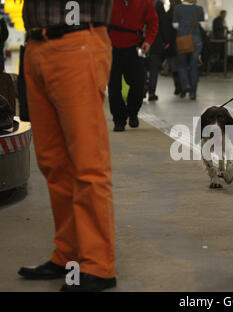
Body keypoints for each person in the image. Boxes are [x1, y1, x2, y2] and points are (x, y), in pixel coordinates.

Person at [19, 0, 116, 292]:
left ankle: (98, 265)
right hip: (37, 45)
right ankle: (69, 254)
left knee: (88, 163)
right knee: (53, 163)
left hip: (77, 41)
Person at [108, 0, 159, 132]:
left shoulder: (146, 2)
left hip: (136, 47)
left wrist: (148, 41)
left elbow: (153, 23)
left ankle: (132, 112)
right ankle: (119, 120)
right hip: (111, 47)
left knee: (139, 84)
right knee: (113, 86)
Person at [173, 0, 206, 100]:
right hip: (196, 40)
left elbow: (175, 25)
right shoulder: (199, 9)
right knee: (194, 67)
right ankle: (193, 93)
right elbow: (204, 26)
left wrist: (184, 27)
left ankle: (186, 85)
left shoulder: (178, 8)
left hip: (183, 39)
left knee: (181, 65)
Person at [145, 0, 169, 102]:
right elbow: (163, 23)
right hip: (155, 40)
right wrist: (166, 39)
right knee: (154, 68)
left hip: (139, 39)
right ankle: (151, 93)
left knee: (141, 67)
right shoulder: (158, 4)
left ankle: (143, 88)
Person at [166, 0, 183, 95]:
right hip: (183, 42)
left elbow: (166, 29)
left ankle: (177, 87)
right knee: (182, 65)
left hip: (171, 43)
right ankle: (183, 85)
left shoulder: (168, 14)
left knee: (174, 66)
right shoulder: (182, 14)